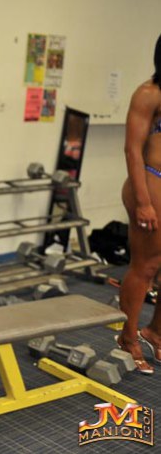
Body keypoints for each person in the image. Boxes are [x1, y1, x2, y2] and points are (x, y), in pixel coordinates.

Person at [118, 32, 161, 375]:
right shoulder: (149, 93)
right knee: (145, 266)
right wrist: (143, 202)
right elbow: (132, 149)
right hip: (151, 182)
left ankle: (155, 331)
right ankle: (128, 337)